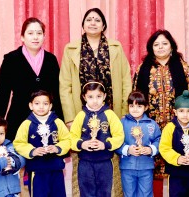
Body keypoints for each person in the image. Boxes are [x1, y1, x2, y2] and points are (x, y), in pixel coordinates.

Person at [59, 7, 132, 196]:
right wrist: (69, 118)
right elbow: (65, 85)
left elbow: (126, 80)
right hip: (80, 115)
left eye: (97, 20)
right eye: (89, 19)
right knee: (82, 165)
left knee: (111, 159)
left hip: (111, 112)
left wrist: (124, 112)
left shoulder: (115, 47)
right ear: (83, 25)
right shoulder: (71, 48)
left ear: (104, 25)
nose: (93, 22)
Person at [132, 29, 189, 193]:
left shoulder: (182, 67)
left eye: (164, 43)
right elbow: (136, 98)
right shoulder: (143, 68)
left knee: (177, 164)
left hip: (177, 125)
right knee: (152, 169)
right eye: (156, 44)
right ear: (151, 48)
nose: (160, 47)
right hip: (150, 126)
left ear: (172, 46)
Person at [0, 17, 63, 142]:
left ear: (44, 37)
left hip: (46, 121)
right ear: (22, 37)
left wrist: (60, 121)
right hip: (18, 120)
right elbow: (2, 94)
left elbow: (56, 93)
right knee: (18, 158)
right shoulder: (11, 59)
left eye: (39, 33)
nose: (35, 37)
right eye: (30, 33)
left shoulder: (51, 59)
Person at [70, 80, 124, 197]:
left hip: (104, 162)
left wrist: (106, 144)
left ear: (104, 96)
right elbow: (72, 138)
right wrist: (81, 144)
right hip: (85, 162)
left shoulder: (110, 114)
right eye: (90, 97)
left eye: (98, 96)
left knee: (104, 191)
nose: (95, 101)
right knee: (86, 191)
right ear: (84, 97)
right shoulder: (81, 116)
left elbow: (119, 136)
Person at [13, 90, 71, 197]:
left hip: (56, 169)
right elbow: (19, 143)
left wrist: (57, 148)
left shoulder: (58, 122)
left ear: (50, 106)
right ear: (31, 106)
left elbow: (67, 140)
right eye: (37, 103)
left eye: (45, 103)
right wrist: (32, 151)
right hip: (37, 170)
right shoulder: (26, 124)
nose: (41, 107)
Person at [116, 90, 161, 197]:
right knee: (129, 194)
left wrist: (151, 149)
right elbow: (116, 141)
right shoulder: (121, 123)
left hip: (146, 167)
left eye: (139, 106)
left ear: (145, 107)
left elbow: (159, 140)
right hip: (127, 166)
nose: (135, 109)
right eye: (132, 106)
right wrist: (127, 149)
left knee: (146, 194)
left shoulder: (152, 124)